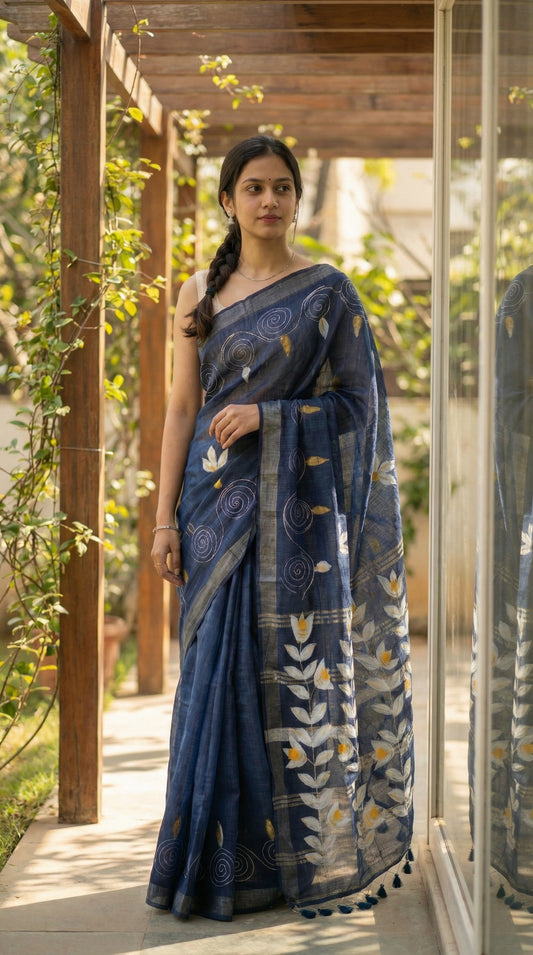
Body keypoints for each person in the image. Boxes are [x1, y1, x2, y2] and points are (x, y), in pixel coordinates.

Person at [146, 135, 414, 922]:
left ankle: (284, 862)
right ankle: (210, 863)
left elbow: (359, 408)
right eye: (254, 187)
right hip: (209, 513)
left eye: (282, 187)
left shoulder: (327, 292)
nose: (269, 200)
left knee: (285, 676)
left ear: (297, 200)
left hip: (291, 519)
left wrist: (271, 416)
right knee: (212, 678)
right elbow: (180, 408)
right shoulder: (199, 290)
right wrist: (162, 520)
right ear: (228, 200)